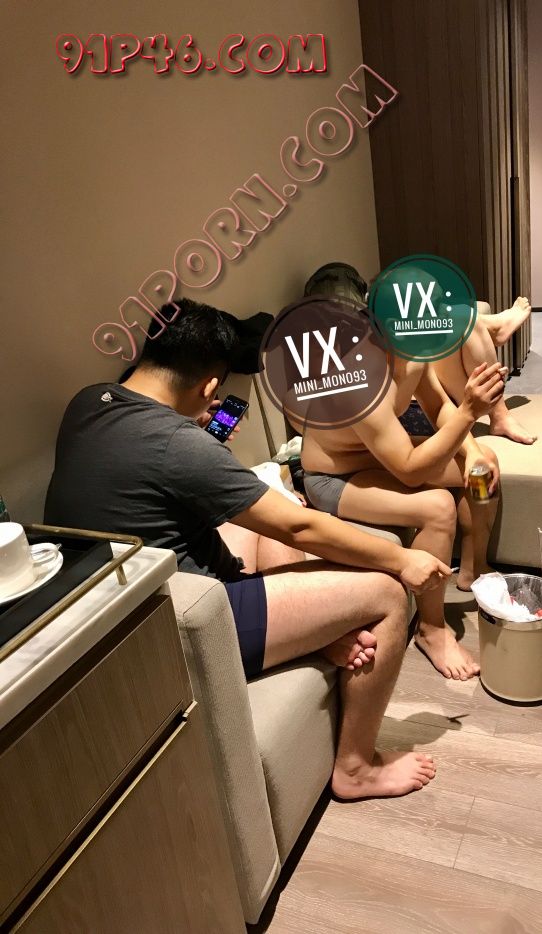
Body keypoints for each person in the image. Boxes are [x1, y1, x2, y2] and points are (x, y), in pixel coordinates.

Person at [45, 299, 451, 800]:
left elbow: (155, 475)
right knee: (387, 593)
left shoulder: (89, 402)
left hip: (131, 595)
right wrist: (404, 559)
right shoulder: (181, 445)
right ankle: (355, 768)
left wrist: (195, 432)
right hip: (185, 623)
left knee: (269, 515)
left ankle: (315, 633)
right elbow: (300, 528)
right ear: (210, 387)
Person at [298, 278, 508, 678]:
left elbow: (437, 406)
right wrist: (469, 411)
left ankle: (475, 567)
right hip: (333, 476)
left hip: (379, 454)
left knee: (483, 464)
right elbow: (410, 470)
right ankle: (431, 629)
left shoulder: (413, 354)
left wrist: (473, 451)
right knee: (437, 508)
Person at [434, 298, 536, 445]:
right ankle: (492, 326)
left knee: (465, 318)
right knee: (462, 318)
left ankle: (500, 415)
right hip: (418, 415)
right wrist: (472, 451)